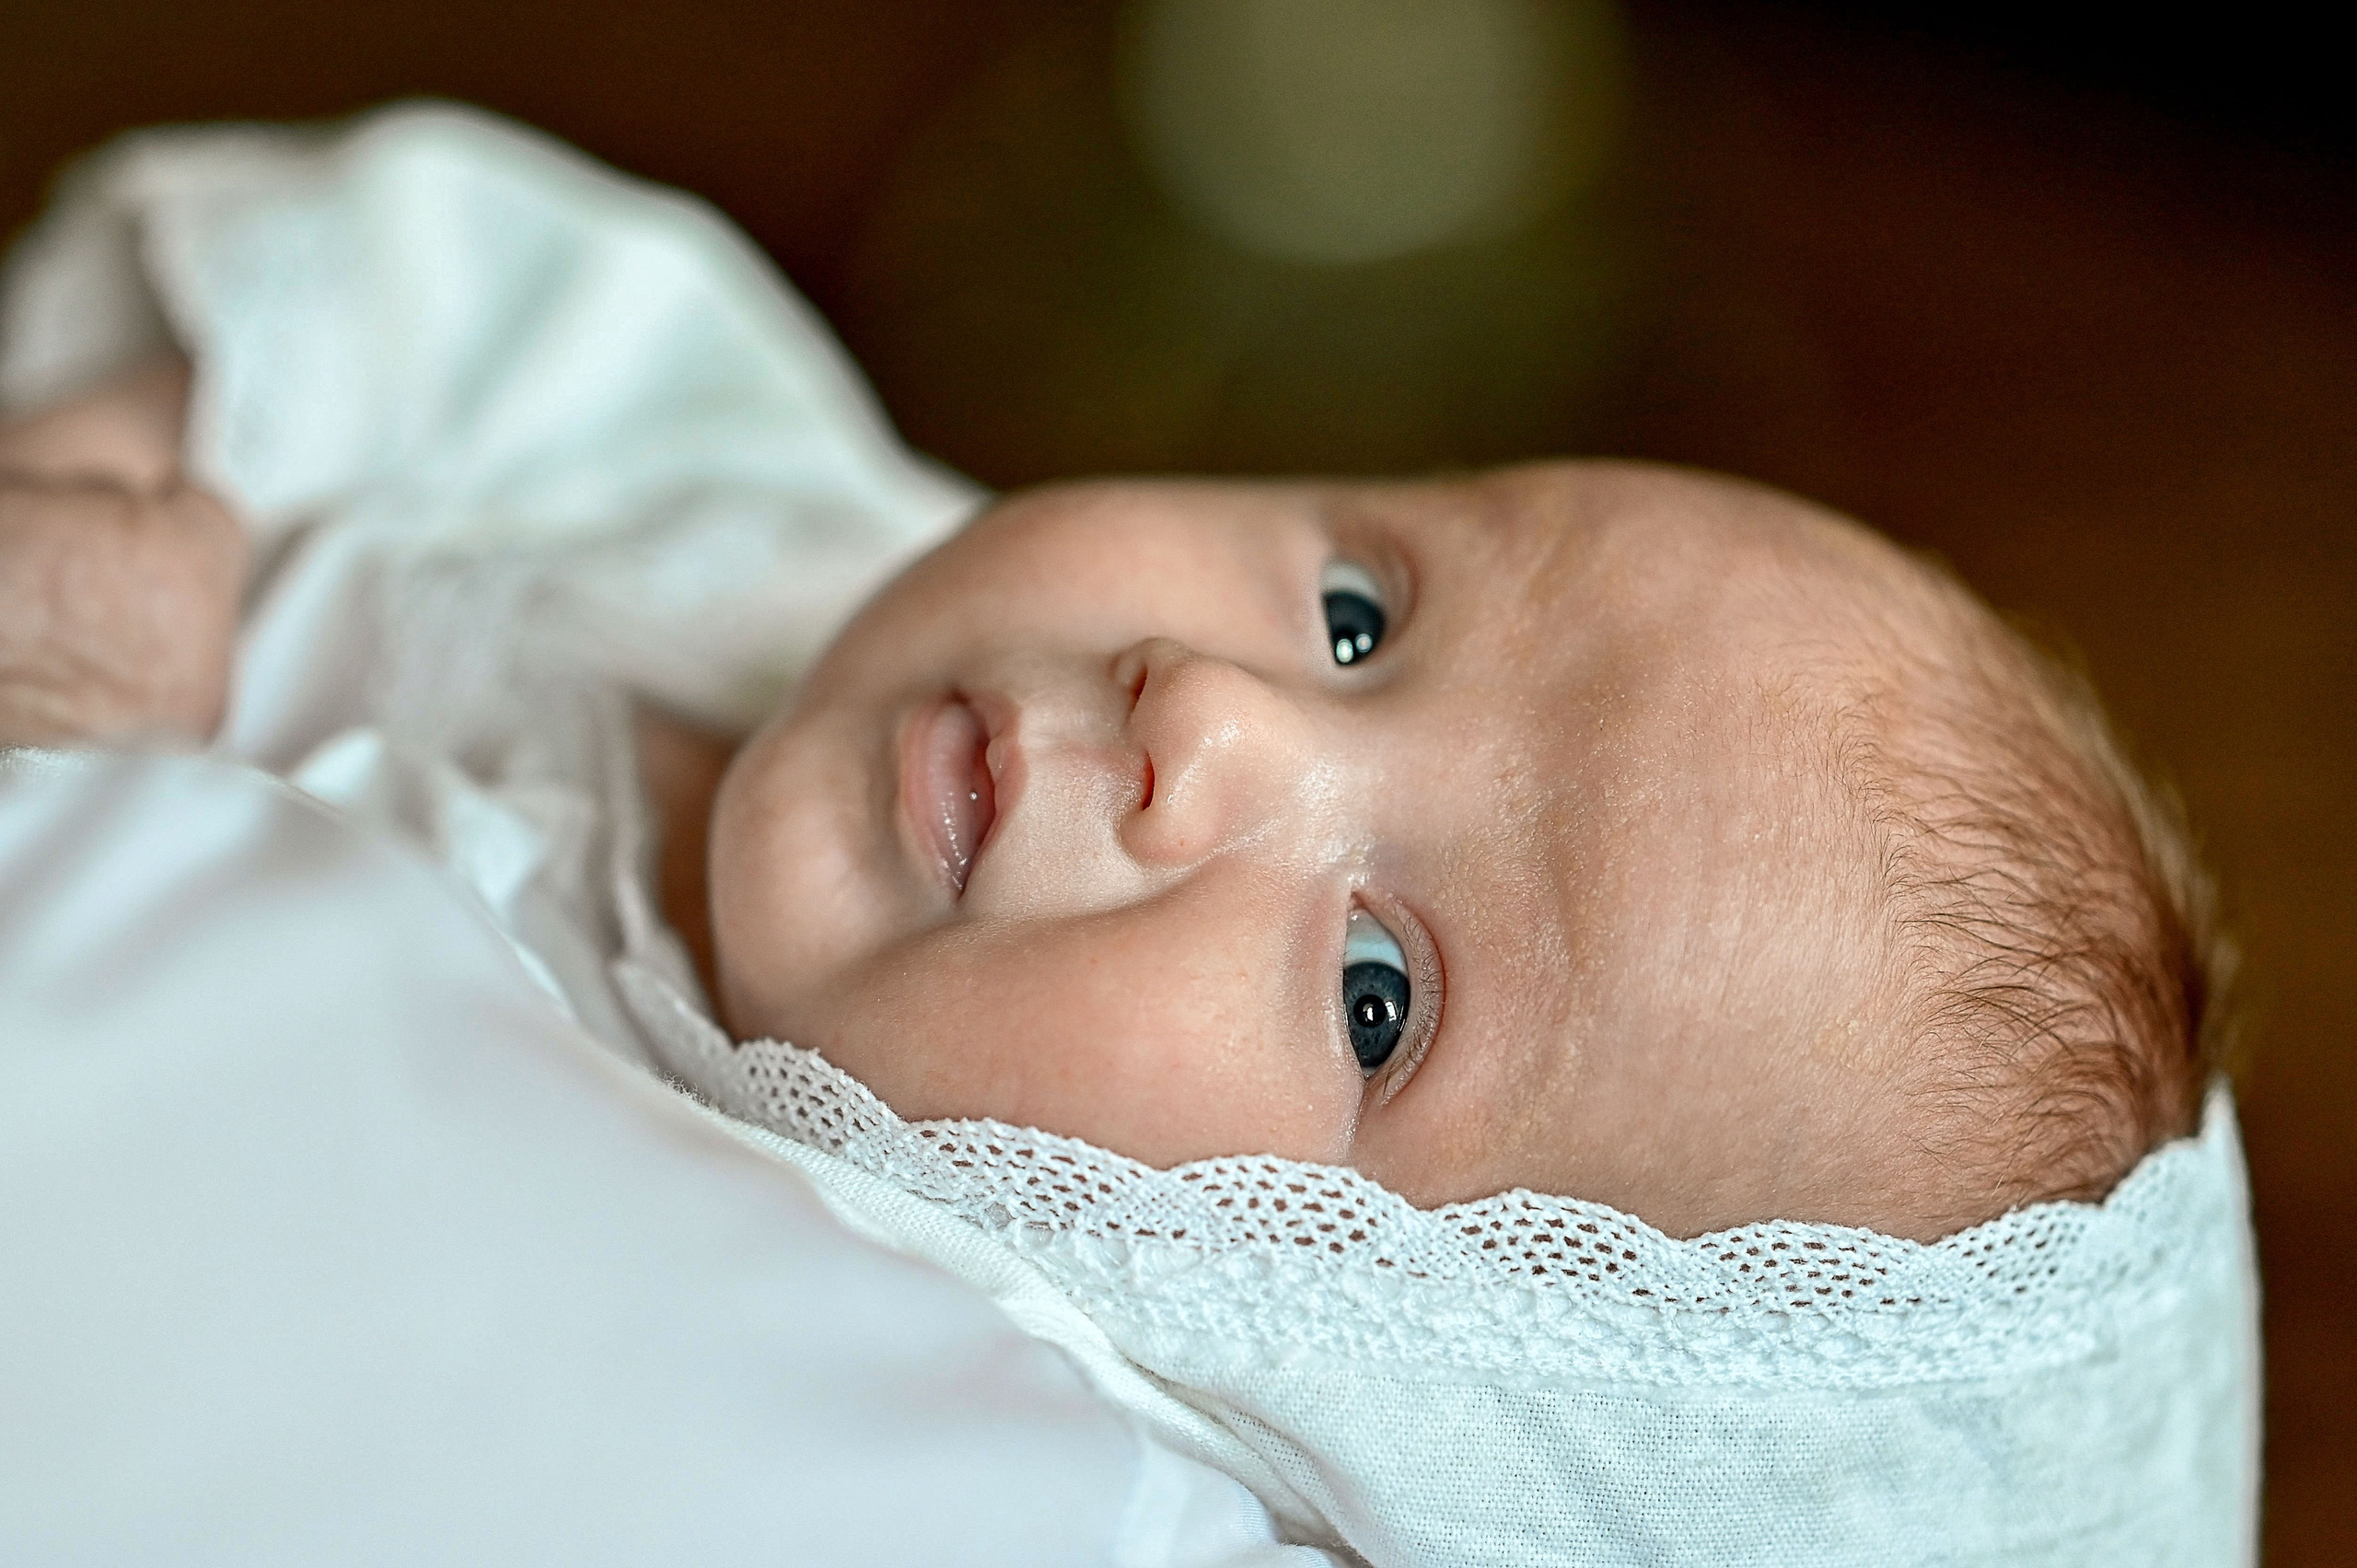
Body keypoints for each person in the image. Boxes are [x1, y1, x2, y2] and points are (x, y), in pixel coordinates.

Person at [0, 105, 2258, 1564]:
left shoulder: (923, 1437)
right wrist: (184, 445)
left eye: (1379, 993)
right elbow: (474, 302)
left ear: (1347, 1360)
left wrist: (124, 728)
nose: (1219, 726)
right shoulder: (758, 555)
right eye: (1362, 614)